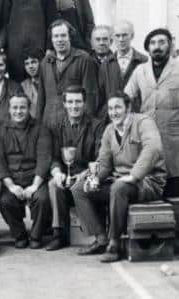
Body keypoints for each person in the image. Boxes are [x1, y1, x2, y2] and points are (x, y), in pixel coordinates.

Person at [71, 92, 166, 263]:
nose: (113, 112)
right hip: (120, 183)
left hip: (148, 183)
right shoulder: (109, 130)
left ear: (128, 108)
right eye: (110, 109)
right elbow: (104, 163)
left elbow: (153, 148)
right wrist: (93, 178)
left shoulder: (144, 122)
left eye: (118, 107)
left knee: (118, 188)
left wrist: (134, 176)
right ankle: (101, 239)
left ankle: (114, 243)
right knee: (79, 189)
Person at [125, 28, 179, 197]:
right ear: (147, 48)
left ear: (170, 45)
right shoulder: (140, 71)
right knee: (150, 198)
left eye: (162, 42)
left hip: (176, 142)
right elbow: (125, 98)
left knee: (177, 198)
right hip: (148, 142)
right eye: (152, 43)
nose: (157, 47)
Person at [45, 85, 104, 251]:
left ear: (84, 103)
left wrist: (84, 175)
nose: (74, 106)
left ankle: (95, 236)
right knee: (52, 184)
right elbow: (54, 157)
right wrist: (57, 172)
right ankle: (59, 235)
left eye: (78, 101)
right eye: (70, 102)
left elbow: (100, 157)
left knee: (83, 186)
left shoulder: (97, 125)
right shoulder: (56, 125)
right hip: (66, 174)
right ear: (64, 104)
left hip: (88, 175)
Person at [0, 93, 52, 249]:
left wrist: (35, 185)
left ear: (29, 109)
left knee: (43, 199)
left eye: (22, 107)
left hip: (35, 179)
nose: (19, 111)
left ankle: (36, 235)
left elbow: (44, 158)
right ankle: (19, 234)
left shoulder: (41, 128)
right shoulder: (0, 130)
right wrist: (11, 186)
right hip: (12, 179)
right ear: (9, 109)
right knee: (5, 201)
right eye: (15, 107)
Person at [6, 0, 57, 82]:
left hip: (39, 50)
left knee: (40, 85)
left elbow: (52, 19)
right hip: (15, 52)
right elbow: (4, 21)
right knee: (17, 87)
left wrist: (50, 47)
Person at [36, 20, 98, 129]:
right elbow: (41, 97)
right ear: (52, 39)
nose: (59, 40)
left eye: (63, 35)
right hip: (49, 124)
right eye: (56, 36)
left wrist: (84, 126)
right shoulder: (45, 62)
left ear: (70, 37)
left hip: (74, 124)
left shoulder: (83, 59)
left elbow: (90, 96)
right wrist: (38, 125)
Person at [97, 20, 147, 118]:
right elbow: (101, 95)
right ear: (112, 38)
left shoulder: (144, 61)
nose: (121, 39)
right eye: (117, 36)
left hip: (136, 117)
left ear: (132, 36)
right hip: (113, 118)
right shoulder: (106, 64)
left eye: (124, 35)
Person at [20, 47, 44, 118]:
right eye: (27, 64)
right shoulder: (23, 86)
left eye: (33, 62)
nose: (30, 66)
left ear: (42, 62)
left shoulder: (50, 82)